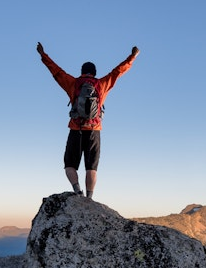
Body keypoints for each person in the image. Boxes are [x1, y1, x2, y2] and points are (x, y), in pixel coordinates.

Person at [37, 42, 139, 198]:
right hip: (94, 129)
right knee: (91, 167)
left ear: (82, 72)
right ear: (94, 72)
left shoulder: (73, 83)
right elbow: (118, 72)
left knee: (70, 165)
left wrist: (43, 55)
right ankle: (89, 198)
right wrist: (132, 57)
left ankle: (77, 191)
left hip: (75, 128)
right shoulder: (102, 84)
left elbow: (56, 71)